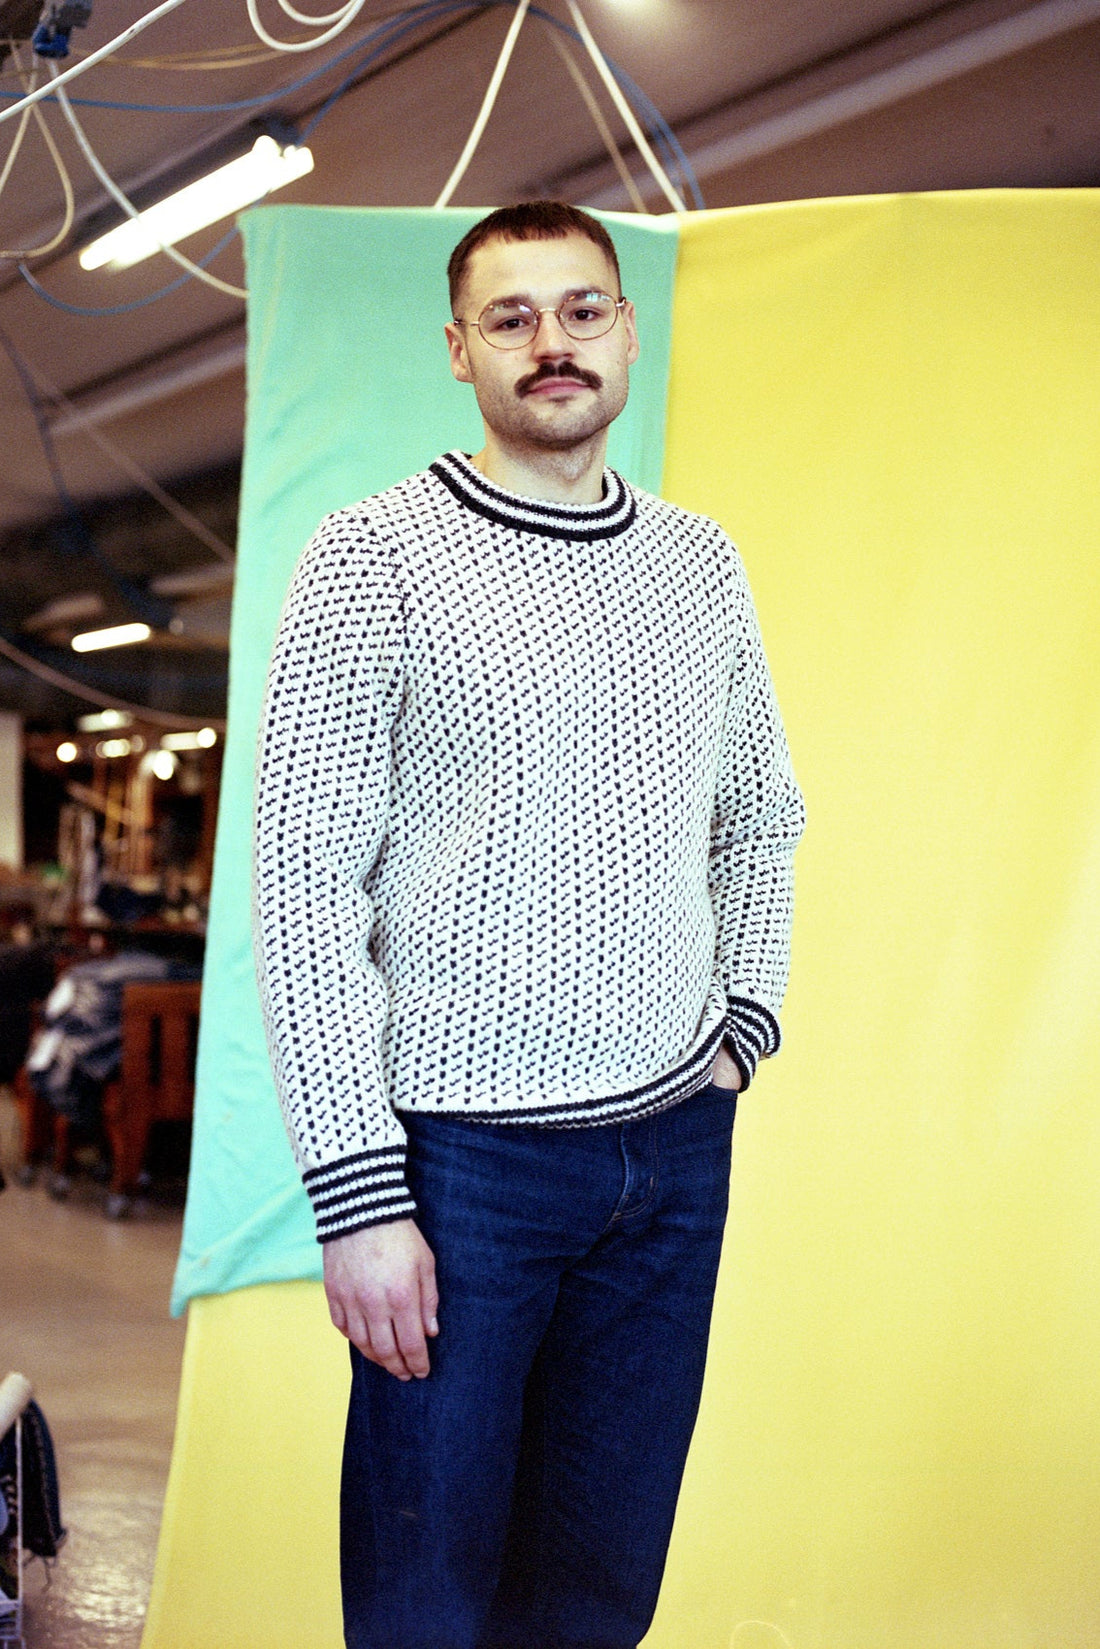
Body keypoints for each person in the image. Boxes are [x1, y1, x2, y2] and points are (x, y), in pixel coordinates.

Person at [253, 201, 805, 1649]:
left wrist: (741, 1027)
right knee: (428, 1605)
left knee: (597, 1596)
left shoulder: (704, 566)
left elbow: (763, 815)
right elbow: (304, 883)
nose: (550, 344)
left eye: (579, 310)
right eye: (511, 318)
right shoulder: (370, 556)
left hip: (672, 1152)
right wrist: (360, 1197)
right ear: (458, 351)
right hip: (461, 1168)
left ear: (628, 331)